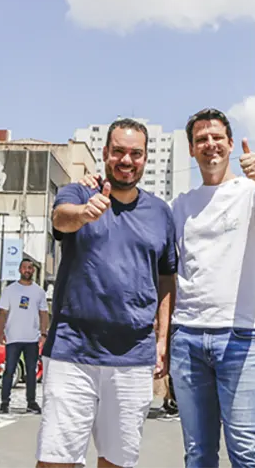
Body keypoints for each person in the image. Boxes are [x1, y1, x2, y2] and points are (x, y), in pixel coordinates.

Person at [40, 118, 177, 468]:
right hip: (73, 350)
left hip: (132, 355)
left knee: (117, 462)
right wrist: (85, 214)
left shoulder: (161, 213)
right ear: (106, 153)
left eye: (135, 153)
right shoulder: (79, 193)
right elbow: (60, 218)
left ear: (146, 159)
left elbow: (166, 279)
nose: (126, 160)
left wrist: (162, 340)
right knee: (56, 460)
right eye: (118, 151)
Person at [170, 108, 255, 468]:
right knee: (198, 454)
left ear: (231, 144)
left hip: (241, 338)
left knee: (247, 453)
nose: (210, 145)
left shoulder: (250, 191)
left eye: (217, 137)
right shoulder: (181, 206)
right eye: (201, 139)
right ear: (191, 149)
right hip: (188, 338)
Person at [0, 258, 48, 415]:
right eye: (25, 267)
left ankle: (31, 402)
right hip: (13, 337)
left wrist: (44, 333)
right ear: (20, 270)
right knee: (9, 371)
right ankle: (4, 402)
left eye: (30, 268)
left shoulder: (39, 291)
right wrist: (0, 332)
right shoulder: (10, 290)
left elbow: (44, 313)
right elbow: (2, 312)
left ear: (33, 271)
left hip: (32, 338)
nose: (28, 270)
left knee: (31, 372)